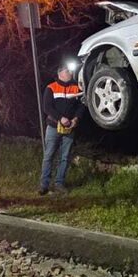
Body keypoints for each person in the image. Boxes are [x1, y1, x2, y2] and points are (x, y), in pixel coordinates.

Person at [38, 59, 84, 195]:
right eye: (67, 71)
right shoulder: (51, 88)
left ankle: (59, 183)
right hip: (53, 127)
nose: (70, 72)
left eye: (70, 70)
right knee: (49, 155)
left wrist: (76, 119)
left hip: (70, 128)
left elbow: (82, 106)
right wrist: (60, 118)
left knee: (65, 157)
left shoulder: (76, 88)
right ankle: (44, 185)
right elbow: (47, 107)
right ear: (60, 73)